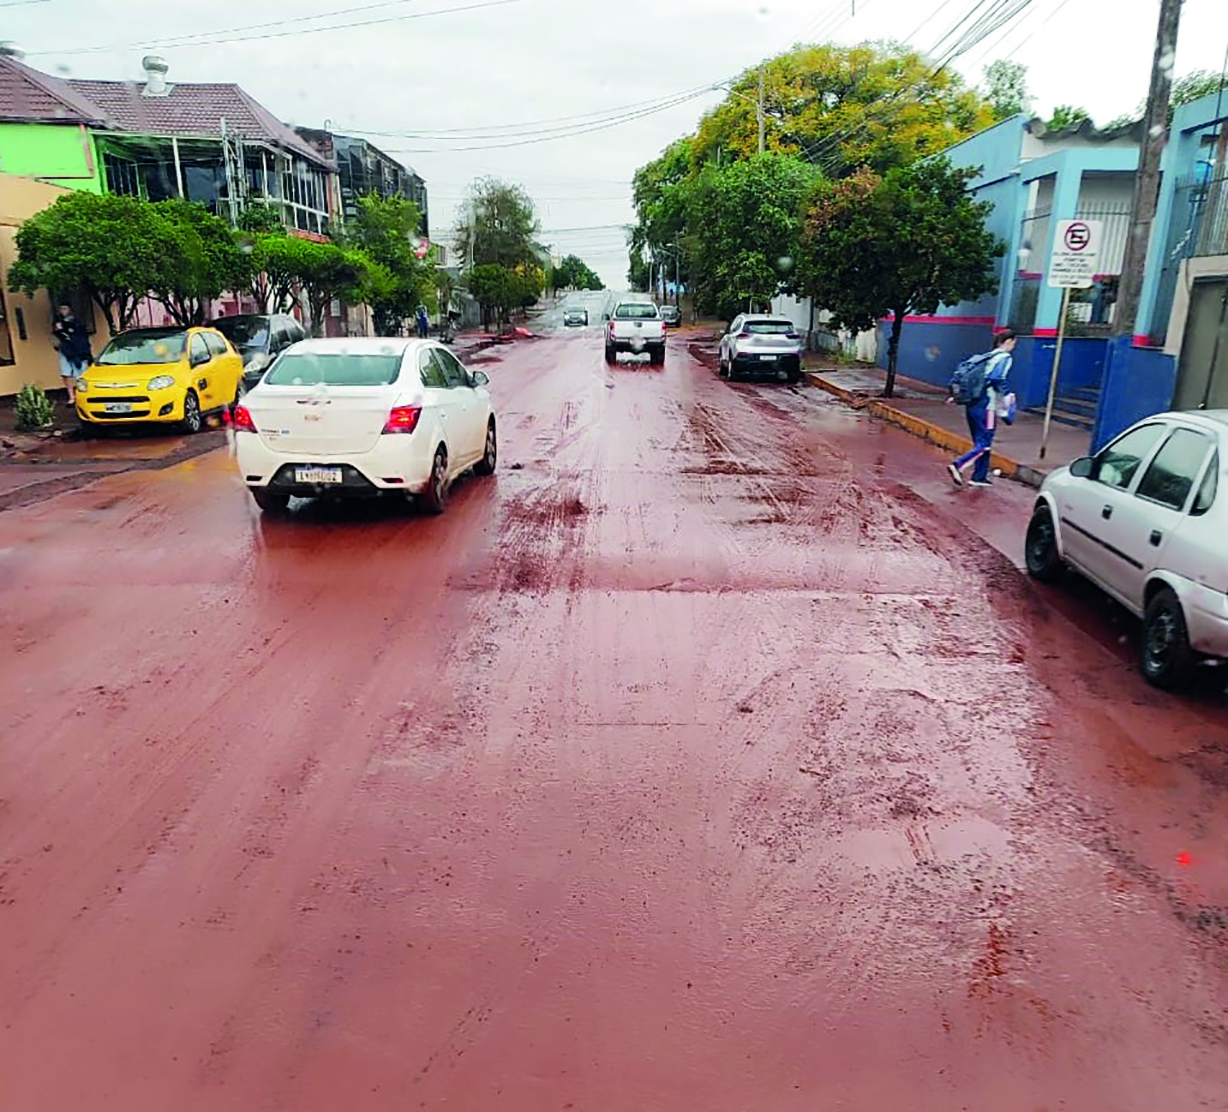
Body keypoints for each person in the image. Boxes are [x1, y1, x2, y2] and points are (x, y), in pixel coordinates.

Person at [948, 328, 1017, 488]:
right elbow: (997, 378)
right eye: (1013, 343)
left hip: (973, 403)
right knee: (985, 442)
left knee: (980, 441)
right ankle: (958, 465)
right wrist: (1006, 396)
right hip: (988, 406)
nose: (1013, 346)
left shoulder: (986, 357)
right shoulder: (1004, 357)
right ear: (1008, 342)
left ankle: (979, 476)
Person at [51, 303, 92, 406]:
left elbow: (83, 337)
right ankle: (71, 397)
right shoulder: (58, 322)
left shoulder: (77, 322)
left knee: (81, 375)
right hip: (65, 350)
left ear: (70, 309)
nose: (63, 311)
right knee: (66, 373)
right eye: (61, 308)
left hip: (79, 351)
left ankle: (83, 396)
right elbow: (56, 335)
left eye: (65, 308)